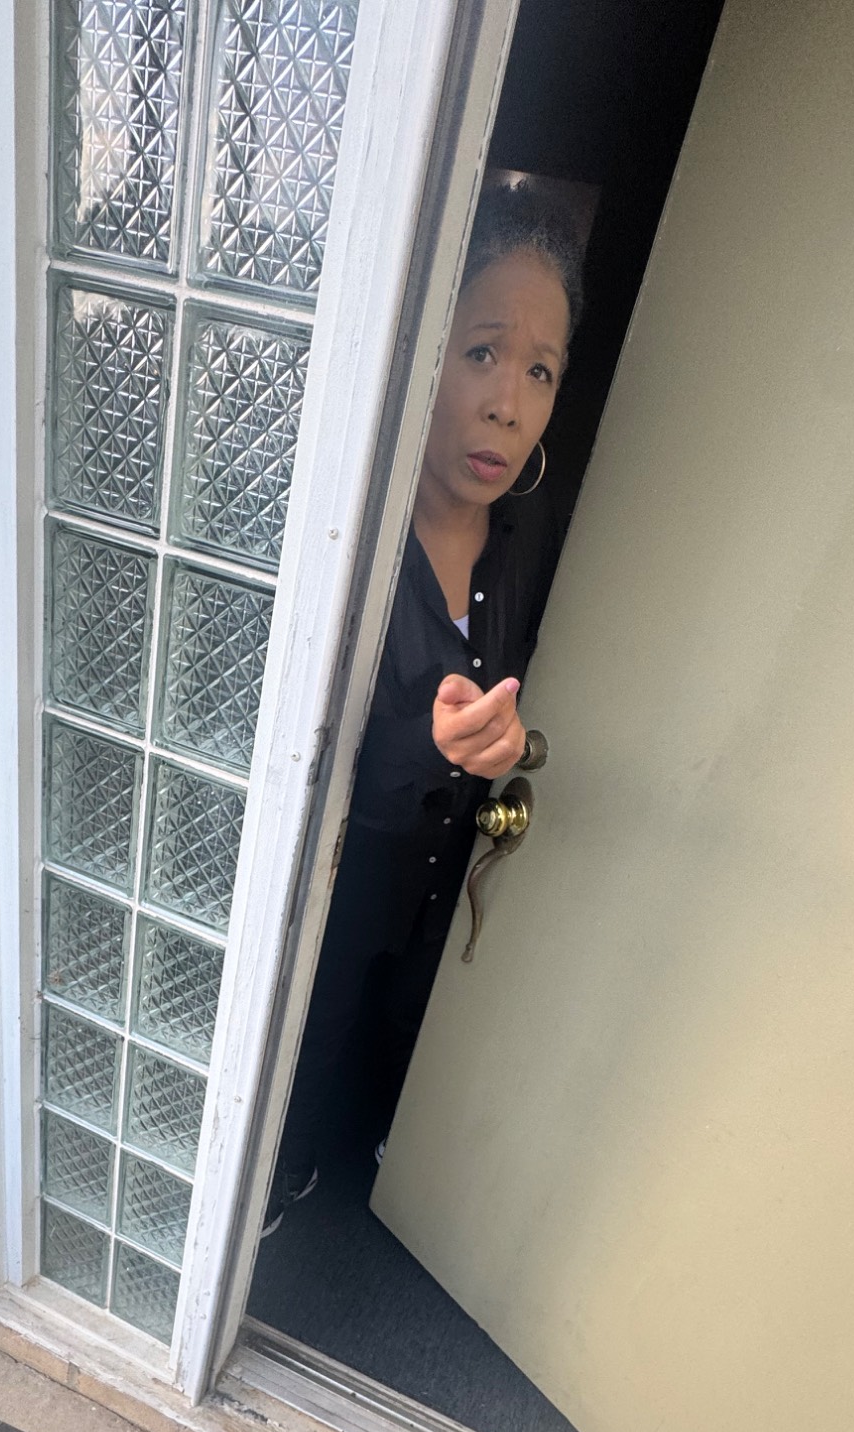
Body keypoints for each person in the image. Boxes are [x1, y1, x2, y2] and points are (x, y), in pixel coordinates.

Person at [267, 180, 585, 1231]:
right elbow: (285, 749)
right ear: (423, 354)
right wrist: (428, 743)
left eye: (540, 370)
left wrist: (501, 745)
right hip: (327, 899)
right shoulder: (344, 530)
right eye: (483, 352)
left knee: (400, 1068)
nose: (508, 404)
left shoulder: (529, 539)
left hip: (449, 890)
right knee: (299, 1085)